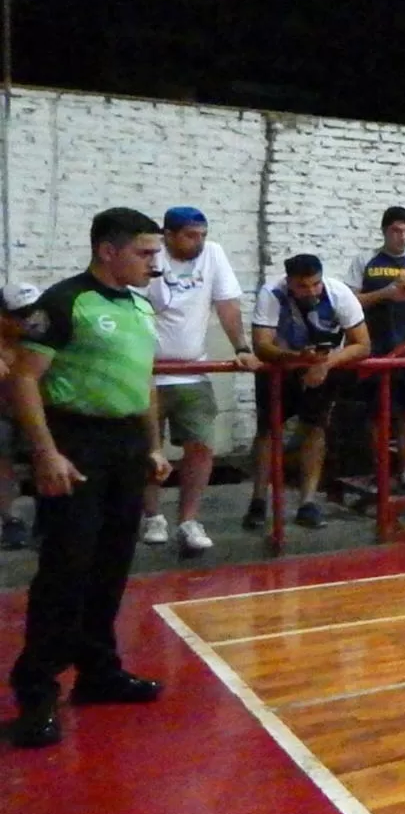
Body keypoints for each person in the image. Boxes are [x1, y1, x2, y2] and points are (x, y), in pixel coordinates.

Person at [8, 207, 175, 748]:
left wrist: (152, 444)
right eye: (145, 253)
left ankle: (98, 671)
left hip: (125, 444)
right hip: (76, 442)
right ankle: (37, 689)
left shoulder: (139, 307)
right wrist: (46, 453)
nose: (156, 263)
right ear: (108, 250)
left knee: (111, 564)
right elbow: (25, 382)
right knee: (67, 566)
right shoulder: (63, 302)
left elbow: (144, 380)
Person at [140, 207, 259, 554]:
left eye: (203, 235)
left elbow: (227, 304)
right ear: (169, 235)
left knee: (201, 445)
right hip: (147, 371)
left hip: (192, 369)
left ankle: (188, 520)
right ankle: (152, 516)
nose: (199, 242)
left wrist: (241, 346)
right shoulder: (150, 256)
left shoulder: (214, 254)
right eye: (191, 236)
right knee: (149, 448)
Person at [243, 254, 371, 530]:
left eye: (316, 284)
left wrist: (326, 363)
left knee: (315, 428)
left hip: (322, 364)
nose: (312, 291)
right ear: (289, 282)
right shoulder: (272, 293)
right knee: (268, 431)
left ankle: (308, 502)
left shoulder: (339, 293)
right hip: (279, 368)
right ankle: (258, 500)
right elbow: (262, 346)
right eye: (303, 286)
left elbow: (363, 344)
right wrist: (294, 357)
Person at [347, 206, 405, 496]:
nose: (403, 238)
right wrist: (384, 293)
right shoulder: (366, 261)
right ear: (385, 231)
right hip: (377, 347)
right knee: (378, 414)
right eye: (397, 231)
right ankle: (381, 473)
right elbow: (350, 303)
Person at [0, 283, 42, 549]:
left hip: (32, 410)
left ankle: (49, 516)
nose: (28, 320)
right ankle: (9, 518)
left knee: (45, 443)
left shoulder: (41, 336)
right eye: (21, 315)